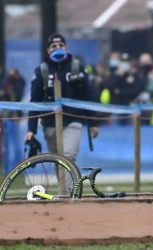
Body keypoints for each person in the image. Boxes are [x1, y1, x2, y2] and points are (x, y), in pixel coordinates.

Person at [25, 33, 99, 195]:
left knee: (68, 155)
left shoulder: (77, 67)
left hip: (73, 119)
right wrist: (31, 129)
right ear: (48, 50)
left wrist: (93, 122)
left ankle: (68, 195)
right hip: (50, 123)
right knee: (58, 160)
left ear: (66, 47)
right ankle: (67, 193)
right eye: (54, 46)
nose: (58, 48)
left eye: (61, 45)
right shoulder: (41, 71)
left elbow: (88, 95)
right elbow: (35, 101)